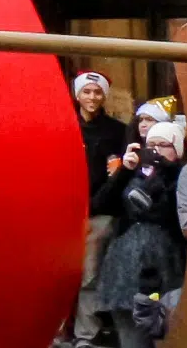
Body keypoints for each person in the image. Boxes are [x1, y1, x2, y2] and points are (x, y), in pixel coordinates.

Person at [96, 121, 187, 348]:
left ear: (177, 149)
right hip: (124, 272)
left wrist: (165, 172)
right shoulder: (133, 173)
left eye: (163, 144)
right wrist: (124, 171)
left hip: (165, 271)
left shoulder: (183, 177)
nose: (155, 150)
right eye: (151, 144)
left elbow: (172, 214)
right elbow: (101, 204)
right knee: (131, 338)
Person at [66, 72, 130, 346]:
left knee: (89, 276)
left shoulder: (117, 131)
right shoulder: (63, 124)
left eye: (97, 92)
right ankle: (57, 331)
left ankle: (85, 334)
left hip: (99, 213)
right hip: (64, 214)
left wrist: (96, 204)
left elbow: (116, 177)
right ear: (77, 95)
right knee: (60, 275)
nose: (92, 97)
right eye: (87, 91)